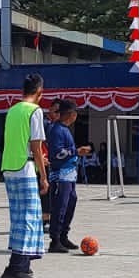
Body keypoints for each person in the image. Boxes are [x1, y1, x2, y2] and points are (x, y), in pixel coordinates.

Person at [0, 74, 49, 278]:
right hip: (25, 167)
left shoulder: (13, 109)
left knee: (19, 217)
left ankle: (22, 263)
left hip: (9, 167)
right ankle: (17, 266)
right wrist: (43, 176)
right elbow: (36, 146)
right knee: (29, 218)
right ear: (39, 91)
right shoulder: (35, 111)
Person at [45, 100, 87, 253]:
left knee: (70, 204)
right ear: (72, 114)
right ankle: (55, 240)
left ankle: (63, 235)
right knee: (60, 206)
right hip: (60, 175)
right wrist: (77, 151)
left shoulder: (65, 129)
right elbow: (56, 153)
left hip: (69, 175)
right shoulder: (57, 130)